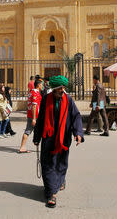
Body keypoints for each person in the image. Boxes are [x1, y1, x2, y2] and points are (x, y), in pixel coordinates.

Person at [33, 75, 84, 208]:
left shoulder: (68, 100)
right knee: (48, 164)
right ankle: (51, 194)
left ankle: (58, 181)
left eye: (63, 88)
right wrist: (37, 137)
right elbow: (41, 119)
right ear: (54, 90)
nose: (62, 91)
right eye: (60, 89)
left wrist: (78, 133)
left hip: (63, 138)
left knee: (61, 163)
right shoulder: (46, 100)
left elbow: (76, 116)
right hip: (49, 137)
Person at [18, 79, 44, 153]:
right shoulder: (35, 93)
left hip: (31, 115)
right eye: (41, 84)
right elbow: (34, 106)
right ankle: (22, 147)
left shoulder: (31, 92)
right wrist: (34, 118)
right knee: (28, 131)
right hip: (34, 116)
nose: (42, 86)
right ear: (38, 85)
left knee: (32, 130)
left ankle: (24, 146)